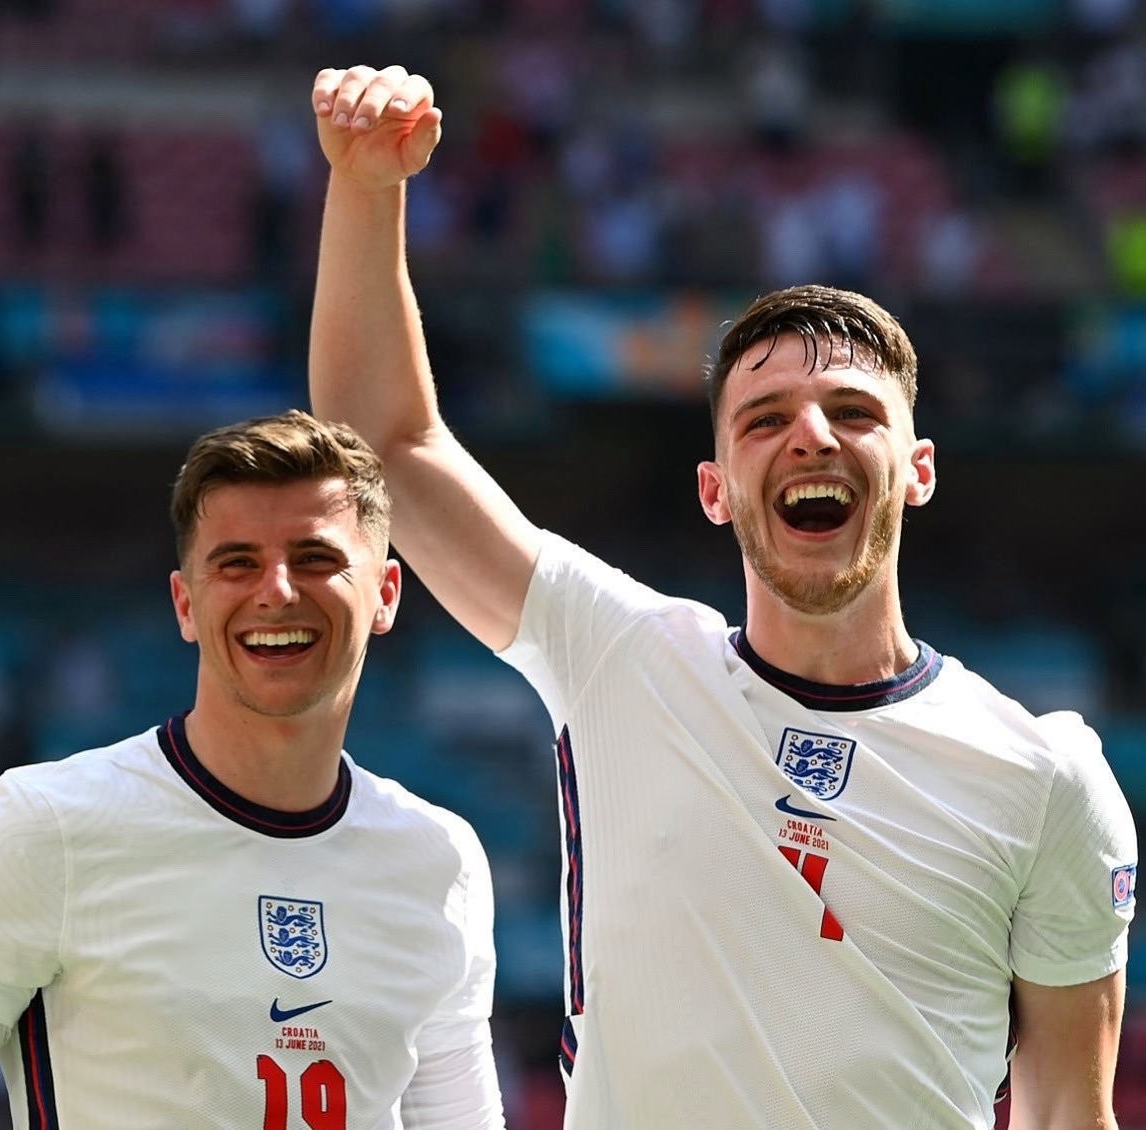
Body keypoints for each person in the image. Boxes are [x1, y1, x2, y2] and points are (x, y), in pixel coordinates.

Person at [306, 65, 1139, 1130]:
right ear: (714, 489)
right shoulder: (618, 654)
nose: (811, 435)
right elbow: (386, 443)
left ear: (917, 469)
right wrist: (366, 187)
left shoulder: (1047, 777)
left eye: (852, 410)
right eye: (764, 418)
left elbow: (1069, 1113)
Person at [0, 410, 506, 1130]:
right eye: (237, 563)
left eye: (315, 558)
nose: (277, 591)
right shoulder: (45, 826)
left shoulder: (441, 858)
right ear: (186, 604)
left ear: (385, 594)